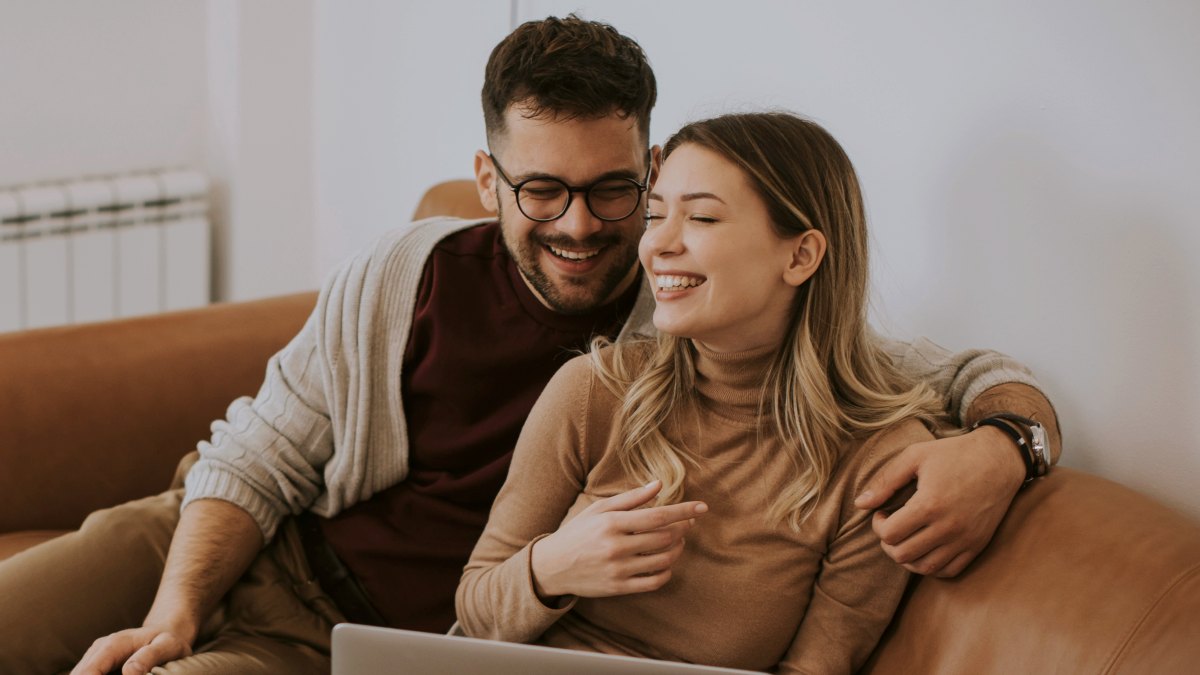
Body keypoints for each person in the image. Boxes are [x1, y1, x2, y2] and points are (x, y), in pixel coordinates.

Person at [0, 15, 1058, 675]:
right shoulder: (406, 270)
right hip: (228, 535)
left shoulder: (685, 310)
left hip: (369, 641)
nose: (583, 226)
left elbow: (938, 378)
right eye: (542, 189)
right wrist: (177, 608)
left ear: (648, 166)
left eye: (614, 190)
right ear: (488, 173)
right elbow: (261, 453)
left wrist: (1009, 449)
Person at [456, 110, 954, 673]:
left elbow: (817, 667)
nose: (657, 244)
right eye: (655, 214)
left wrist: (1010, 443)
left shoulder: (876, 463)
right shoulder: (594, 390)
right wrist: (552, 568)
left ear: (801, 256)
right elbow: (475, 611)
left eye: (701, 218)